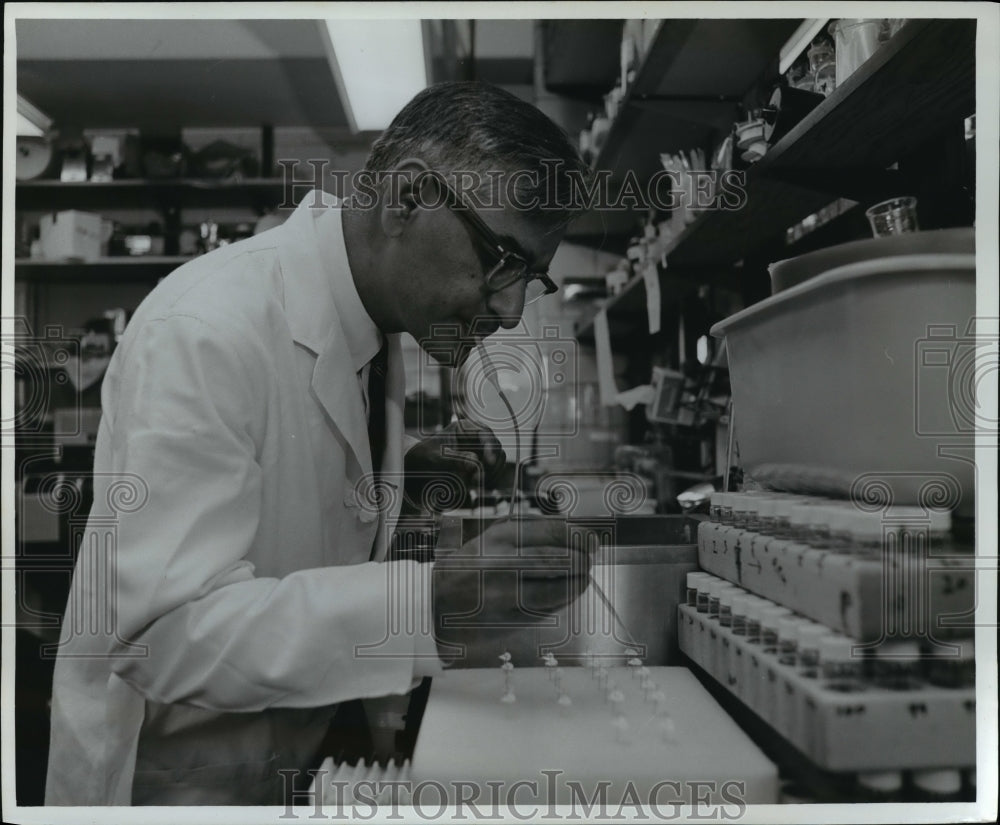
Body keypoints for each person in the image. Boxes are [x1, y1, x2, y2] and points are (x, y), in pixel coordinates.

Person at [45, 81, 594, 806]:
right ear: (405, 199)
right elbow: (164, 634)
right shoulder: (206, 327)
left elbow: (295, 483)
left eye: (533, 278)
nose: (510, 307)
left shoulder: (376, 325)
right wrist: (428, 601)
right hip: (175, 786)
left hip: (295, 764)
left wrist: (391, 482)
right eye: (501, 260)